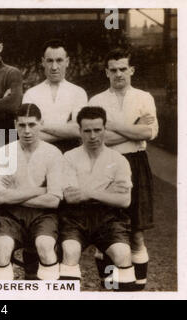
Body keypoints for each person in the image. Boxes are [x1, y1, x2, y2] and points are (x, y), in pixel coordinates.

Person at [89, 48, 158, 290]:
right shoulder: (96, 101)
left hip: (136, 163)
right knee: (104, 234)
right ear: (106, 72)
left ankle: (137, 290)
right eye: (113, 70)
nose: (118, 74)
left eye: (123, 69)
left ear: (131, 70)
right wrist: (132, 127)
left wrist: (112, 127)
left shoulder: (144, 97)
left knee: (137, 233)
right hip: (104, 166)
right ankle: (107, 288)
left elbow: (150, 132)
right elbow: (96, 139)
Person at [21, 39, 88, 279]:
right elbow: (27, 132)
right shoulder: (32, 92)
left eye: (59, 60)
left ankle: (60, 272)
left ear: (68, 62)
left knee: (63, 211)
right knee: (38, 210)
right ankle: (32, 273)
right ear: (42, 63)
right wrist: (62, 126)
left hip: (68, 157)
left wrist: (43, 127)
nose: (54, 66)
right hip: (38, 157)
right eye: (49, 60)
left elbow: (77, 131)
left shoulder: (77, 92)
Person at [60, 106, 136, 291]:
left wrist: (89, 192)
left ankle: (116, 291)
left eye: (97, 130)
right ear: (79, 132)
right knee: (70, 251)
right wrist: (108, 191)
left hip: (109, 218)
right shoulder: (69, 157)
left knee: (123, 253)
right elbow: (71, 197)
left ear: (105, 129)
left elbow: (125, 201)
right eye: (87, 131)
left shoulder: (118, 160)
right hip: (76, 218)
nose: (93, 136)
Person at [0, 104, 64, 280]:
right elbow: (1, 197)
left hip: (43, 215)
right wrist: (40, 190)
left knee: (46, 245)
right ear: (15, 125)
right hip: (11, 216)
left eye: (32, 125)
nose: (27, 131)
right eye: (22, 125)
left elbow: (53, 200)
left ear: (41, 124)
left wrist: (15, 193)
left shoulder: (53, 153)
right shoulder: (5, 152)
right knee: (2, 246)